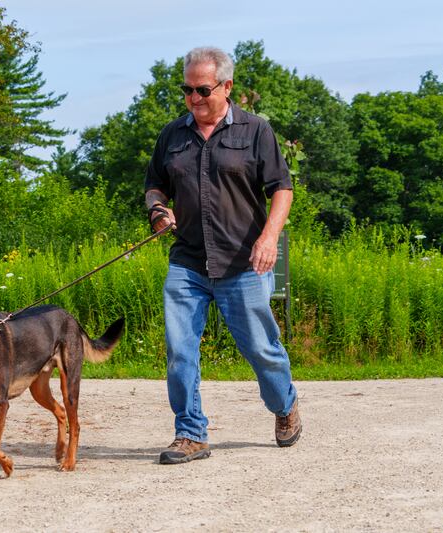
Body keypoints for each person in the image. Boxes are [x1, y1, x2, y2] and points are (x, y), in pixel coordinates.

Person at [144, 46, 301, 465]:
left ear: (226, 87)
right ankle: (191, 433)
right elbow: (154, 185)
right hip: (188, 263)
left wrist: (269, 239)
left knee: (261, 350)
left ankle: (284, 404)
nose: (194, 99)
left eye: (203, 90)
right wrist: (158, 209)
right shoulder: (172, 135)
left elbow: (281, 189)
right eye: (187, 90)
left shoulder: (255, 131)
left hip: (243, 264)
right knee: (180, 350)